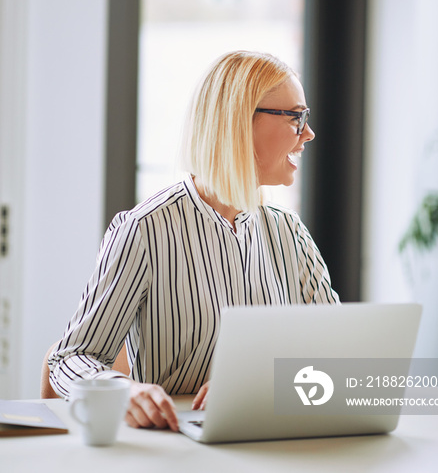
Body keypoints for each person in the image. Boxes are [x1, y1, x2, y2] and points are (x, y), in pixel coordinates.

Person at [48, 50, 339, 432]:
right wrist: (121, 390)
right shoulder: (144, 229)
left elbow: (336, 353)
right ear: (239, 122)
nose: (308, 134)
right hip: (175, 445)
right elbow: (71, 357)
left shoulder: (289, 232)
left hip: (273, 438)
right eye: (296, 118)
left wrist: (259, 387)